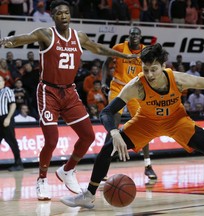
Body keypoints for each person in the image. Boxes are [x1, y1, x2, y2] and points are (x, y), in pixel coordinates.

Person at [60, 43, 204, 209]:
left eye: (154, 69)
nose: (149, 74)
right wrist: (114, 132)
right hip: (146, 123)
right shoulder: (136, 85)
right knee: (107, 147)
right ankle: (88, 195)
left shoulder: (177, 79)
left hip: (176, 121)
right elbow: (107, 112)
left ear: (162, 66)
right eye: (146, 69)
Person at [0, 0, 136, 201]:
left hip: (70, 93)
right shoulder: (45, 34)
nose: (63, 16)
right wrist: (8, 41)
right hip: (48, 92)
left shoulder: (78, 36)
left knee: (88, 136)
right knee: (52, 140)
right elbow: (24, 38)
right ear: (53, 16)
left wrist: (123, 56)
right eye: (59, 13)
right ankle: (42, 180)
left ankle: (67, 170)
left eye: (66, 13)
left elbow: (97, 48)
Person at [101, 26, 157, 180]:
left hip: (135, 90)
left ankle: (148, 165)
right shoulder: (119, 48)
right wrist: (103, 82)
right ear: (128, 36)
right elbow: (105, 64)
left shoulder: (146, 52)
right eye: (131, 34)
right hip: (118, 87)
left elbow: (153, 70)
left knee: (144, 126)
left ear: (140, 37)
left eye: (136, 34)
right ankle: (103, 167)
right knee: (113, 125)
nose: (134, 36)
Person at [0, 75, 24, 172]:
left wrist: (8, 118)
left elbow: (13, 105)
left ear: (3, 82)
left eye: (0, 81)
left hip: (6, 118)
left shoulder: (7, 91)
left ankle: (18, 164)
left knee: (12, 142)